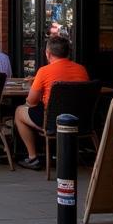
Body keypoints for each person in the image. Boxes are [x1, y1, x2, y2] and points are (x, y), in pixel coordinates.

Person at [14, 35, 89, 170]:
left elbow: (31, 102)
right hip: (80, 121)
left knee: (19, 111)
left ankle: (33, 157)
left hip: (52, 122)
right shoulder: (81, 69)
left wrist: (34, 85)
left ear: (48, 53)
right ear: (68, 52)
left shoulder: (44, 71)